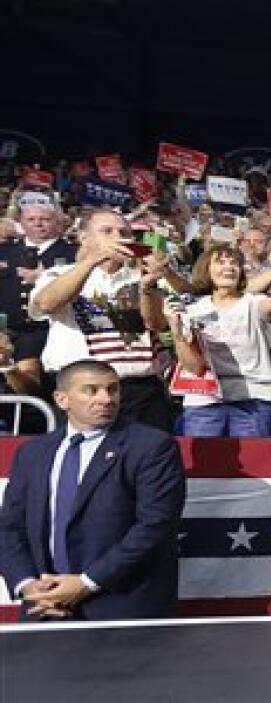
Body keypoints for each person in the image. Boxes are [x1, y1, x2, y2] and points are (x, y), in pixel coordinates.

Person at [0, 359, 186, 620]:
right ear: (62, 399)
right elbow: (10, 526)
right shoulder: (32, 453)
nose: (106, 399)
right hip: (43, 607)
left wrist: (86, 583)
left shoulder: (151, 447)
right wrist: (27, 585)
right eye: (91, 390)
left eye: (113, 390)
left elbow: (156, 524)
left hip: (119, 609)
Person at [29, 209, 178, 433]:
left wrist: (148, 287)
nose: (118, 237)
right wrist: (93, 260)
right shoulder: (59, 273)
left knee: (146, 458)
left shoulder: (144, 275)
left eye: (124, 232)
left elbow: (156, 324)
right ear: (84, 237)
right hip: (82, 388)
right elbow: (46, 304)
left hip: (141, 388)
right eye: (107, 231)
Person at [169, 244, 271, 437]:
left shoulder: (252, 301)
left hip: (252, 398)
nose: (229, 266)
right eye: (220, 262)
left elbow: (268, 306)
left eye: (234, 262)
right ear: (206, 270)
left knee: (253, 463)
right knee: (204, 464)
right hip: (205, 399)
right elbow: (193, 367)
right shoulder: (193, 309)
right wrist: (177, 331)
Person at [0, 201, 77, 399]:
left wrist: (45, 277)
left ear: (58, 223)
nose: (38, 224)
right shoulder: (4, 251)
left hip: (46, 332)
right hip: (6, 332)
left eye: (45, 219)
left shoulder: (72, 253)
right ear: (21, 223)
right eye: (31, 220)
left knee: (39, 389)